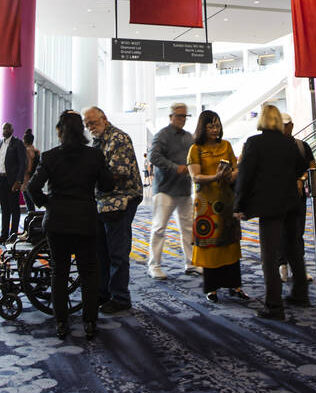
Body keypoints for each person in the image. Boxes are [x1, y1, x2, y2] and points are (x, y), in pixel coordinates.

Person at [27, 111, 114, 339]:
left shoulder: (50, 156)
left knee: (59, 271)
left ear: (60, 131)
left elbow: (33, 188)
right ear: (82, 131)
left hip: (57, 222)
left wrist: (48, 203)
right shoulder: (94, 155)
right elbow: (107, 185)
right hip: (85, 220)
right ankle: (90, 322)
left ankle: (61, 322)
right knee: (89, 272)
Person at [234, 104, 308, 320]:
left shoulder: (254, 143)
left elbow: (245, 176)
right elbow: (301, 167)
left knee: (269, 256)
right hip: (292, 203)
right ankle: (300, 294)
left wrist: (239, 205)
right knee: (294, 250)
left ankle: (274, 306)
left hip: (269, 206)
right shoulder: (289, 142)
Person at [83, 106, 143, 314]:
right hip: (103, 201)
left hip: (122, 200)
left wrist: (89, 179)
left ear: (104, 119)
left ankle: (120, 297)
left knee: (117, 251)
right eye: (87, 124)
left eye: (93, 122)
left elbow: (119, 172)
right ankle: (103, 292)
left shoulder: (118, 138)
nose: (90, 127)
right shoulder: (98, 141)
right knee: (101, 250)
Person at [187, 110, 249, 303]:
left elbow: (237, 168)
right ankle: (211, 288)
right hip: (206, 205)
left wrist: (231, 175)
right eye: (211, 126)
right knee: (210, 245)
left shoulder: (226, 145)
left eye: (217, 125)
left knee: (230, 243)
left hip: (227, 201)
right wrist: (215, 177)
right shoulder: (195, 149)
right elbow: (195, 176)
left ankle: (235, 285)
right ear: (202, 128)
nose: (215, 130)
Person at [147, 102, 200, 278]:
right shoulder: (162, 135)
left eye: (185, 116)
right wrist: (174, 167)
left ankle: (191, 262)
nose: (182, 119)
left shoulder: (188, 137)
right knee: (159, 228)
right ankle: (154, 265)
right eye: (179, 116)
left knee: (187, 228)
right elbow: (154, 156)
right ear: (170, 116)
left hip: (184, 189)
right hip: (165, 189)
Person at [278, 113, 314, 285]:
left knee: (298, 232)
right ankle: (281, 265)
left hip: (298, 197)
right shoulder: (272, 147)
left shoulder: (302, 146)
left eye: (286, 125)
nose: (284, 128)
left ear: (291, 125)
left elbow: (311, 168)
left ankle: (298, 267)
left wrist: (301, 179)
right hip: (279, 196)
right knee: (280, 231)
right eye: (281, 125)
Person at [0, 122, 26, 244]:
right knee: (4, 209)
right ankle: (3, 234)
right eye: (3, 128)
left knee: (14, 209)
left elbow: (23, 163)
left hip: (12, 181)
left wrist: (19, 181)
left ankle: (13, 235)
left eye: (7, 128)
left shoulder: (17, 143)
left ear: (12, 130)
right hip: (0, 179)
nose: (4, 130)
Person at [21, 129, 41, 218]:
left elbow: (28, 168)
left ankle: (31, 222)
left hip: (27, 179)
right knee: (31, 203)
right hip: (34, 178)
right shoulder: (36, 150)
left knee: (29, 204)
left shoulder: (27, 151)